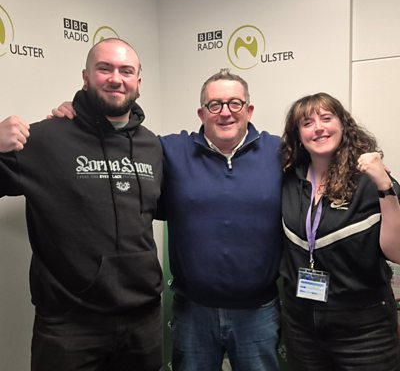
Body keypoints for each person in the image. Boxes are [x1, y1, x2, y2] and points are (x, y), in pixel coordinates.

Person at [50, 68, 284, 371]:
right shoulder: (170, 150)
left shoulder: (279, 152)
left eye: (234, 103)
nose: (225, 112)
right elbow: (115, 140)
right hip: (193, 312)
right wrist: (80, 116)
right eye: (215, 105)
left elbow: (323, 157)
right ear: (201, 113)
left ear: (249, 110)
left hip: (258, 312)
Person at [0, 38, 163, 371]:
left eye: (126, 71)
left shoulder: (153, 146)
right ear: (86, 77)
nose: (116, 78)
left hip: (143, 320)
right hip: (69, 326)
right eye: (104, 69)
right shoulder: (44, 139)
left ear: (138, 82)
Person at [279, 92, 400, 371]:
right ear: (298, 135)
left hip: (363, 327)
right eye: (307, 123)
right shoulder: (290, 179)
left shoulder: (370, 179)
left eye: (326, 118)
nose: (318, 128)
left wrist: (384, 185)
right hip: (301, 324)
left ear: (343, 125)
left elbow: (397, 252)